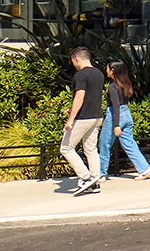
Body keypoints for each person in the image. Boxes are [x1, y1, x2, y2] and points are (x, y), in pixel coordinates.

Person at [98, 60, 150, 181]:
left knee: (104, 144)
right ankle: (145, 169)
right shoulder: (125, 84)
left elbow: (115, 106)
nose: (106, 70)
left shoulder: (113, 87)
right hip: (127, 114)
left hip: (115, 116)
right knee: (129, 143)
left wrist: (116, 125)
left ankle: (101, 173)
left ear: (112, 71)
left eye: (107, 68)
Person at [60, 47, 105, 195]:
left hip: (84, 118)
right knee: (91, 149)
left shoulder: (81, 75)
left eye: (72, 61)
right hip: (97, 116)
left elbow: (80, 97)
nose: (73, 64)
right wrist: (72, 110)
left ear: (77, 59)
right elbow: (92, 97)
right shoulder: (99, 73)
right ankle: (95, 180)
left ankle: (86, 178)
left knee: (66, 148)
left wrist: (70, 119)